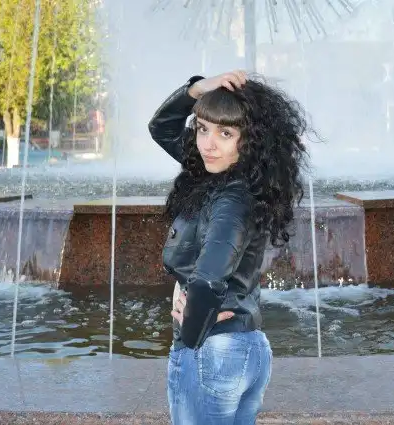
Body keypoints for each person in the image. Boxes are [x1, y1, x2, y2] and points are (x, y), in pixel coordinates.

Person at [148, 71, 310, 424]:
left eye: (225, 133)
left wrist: (190, 336)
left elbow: (208, 280)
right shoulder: (229, 178)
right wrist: (197, 88)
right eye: (202, 128)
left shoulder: (231, 200)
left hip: (214, 352)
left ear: (249, 140)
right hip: (244, 347)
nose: (208, 144)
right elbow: (161, 128)